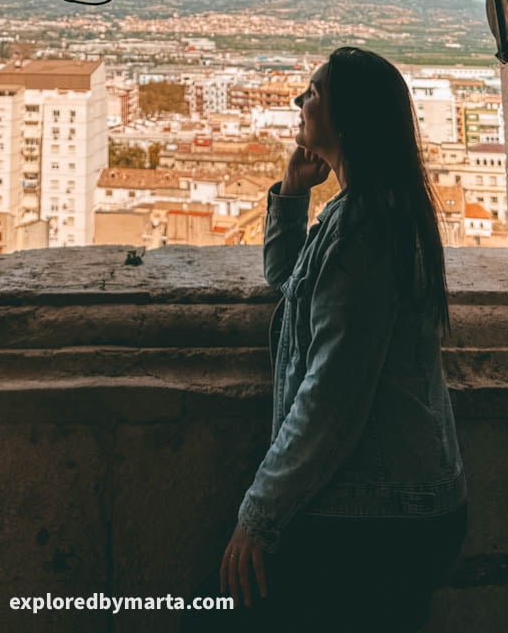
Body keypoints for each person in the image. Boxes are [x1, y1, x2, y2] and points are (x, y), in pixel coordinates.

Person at [187, 46, 467, 630]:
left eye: (312, 92)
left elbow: (332, 393)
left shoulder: (365, 226)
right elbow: (292, 284)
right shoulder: (367, 209)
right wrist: (292, 193)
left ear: (347, 118)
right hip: (395, 505)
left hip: (377, 513)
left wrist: (258, 515)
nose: (298, 100)